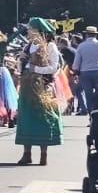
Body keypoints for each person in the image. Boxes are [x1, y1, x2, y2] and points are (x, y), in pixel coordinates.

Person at [15, 18, 63, 165]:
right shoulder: (29, 46)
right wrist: (21, 63)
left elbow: (54, 67)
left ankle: (43, 154)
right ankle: (27, 154)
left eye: (31, 29)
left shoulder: (50, 46)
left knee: (43, 117)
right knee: (27, 118)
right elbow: (22, 64)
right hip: (27, 86)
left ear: (38, 31)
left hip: (42, 87)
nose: (28, 32)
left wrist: (36, 70)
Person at [73, 27, 98, 116]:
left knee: (88, 94)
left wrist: (75, 71)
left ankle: (91, 115)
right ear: (95, 34)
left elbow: (77, 62)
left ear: (86, 34)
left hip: (85, 72)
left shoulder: (81, 46)